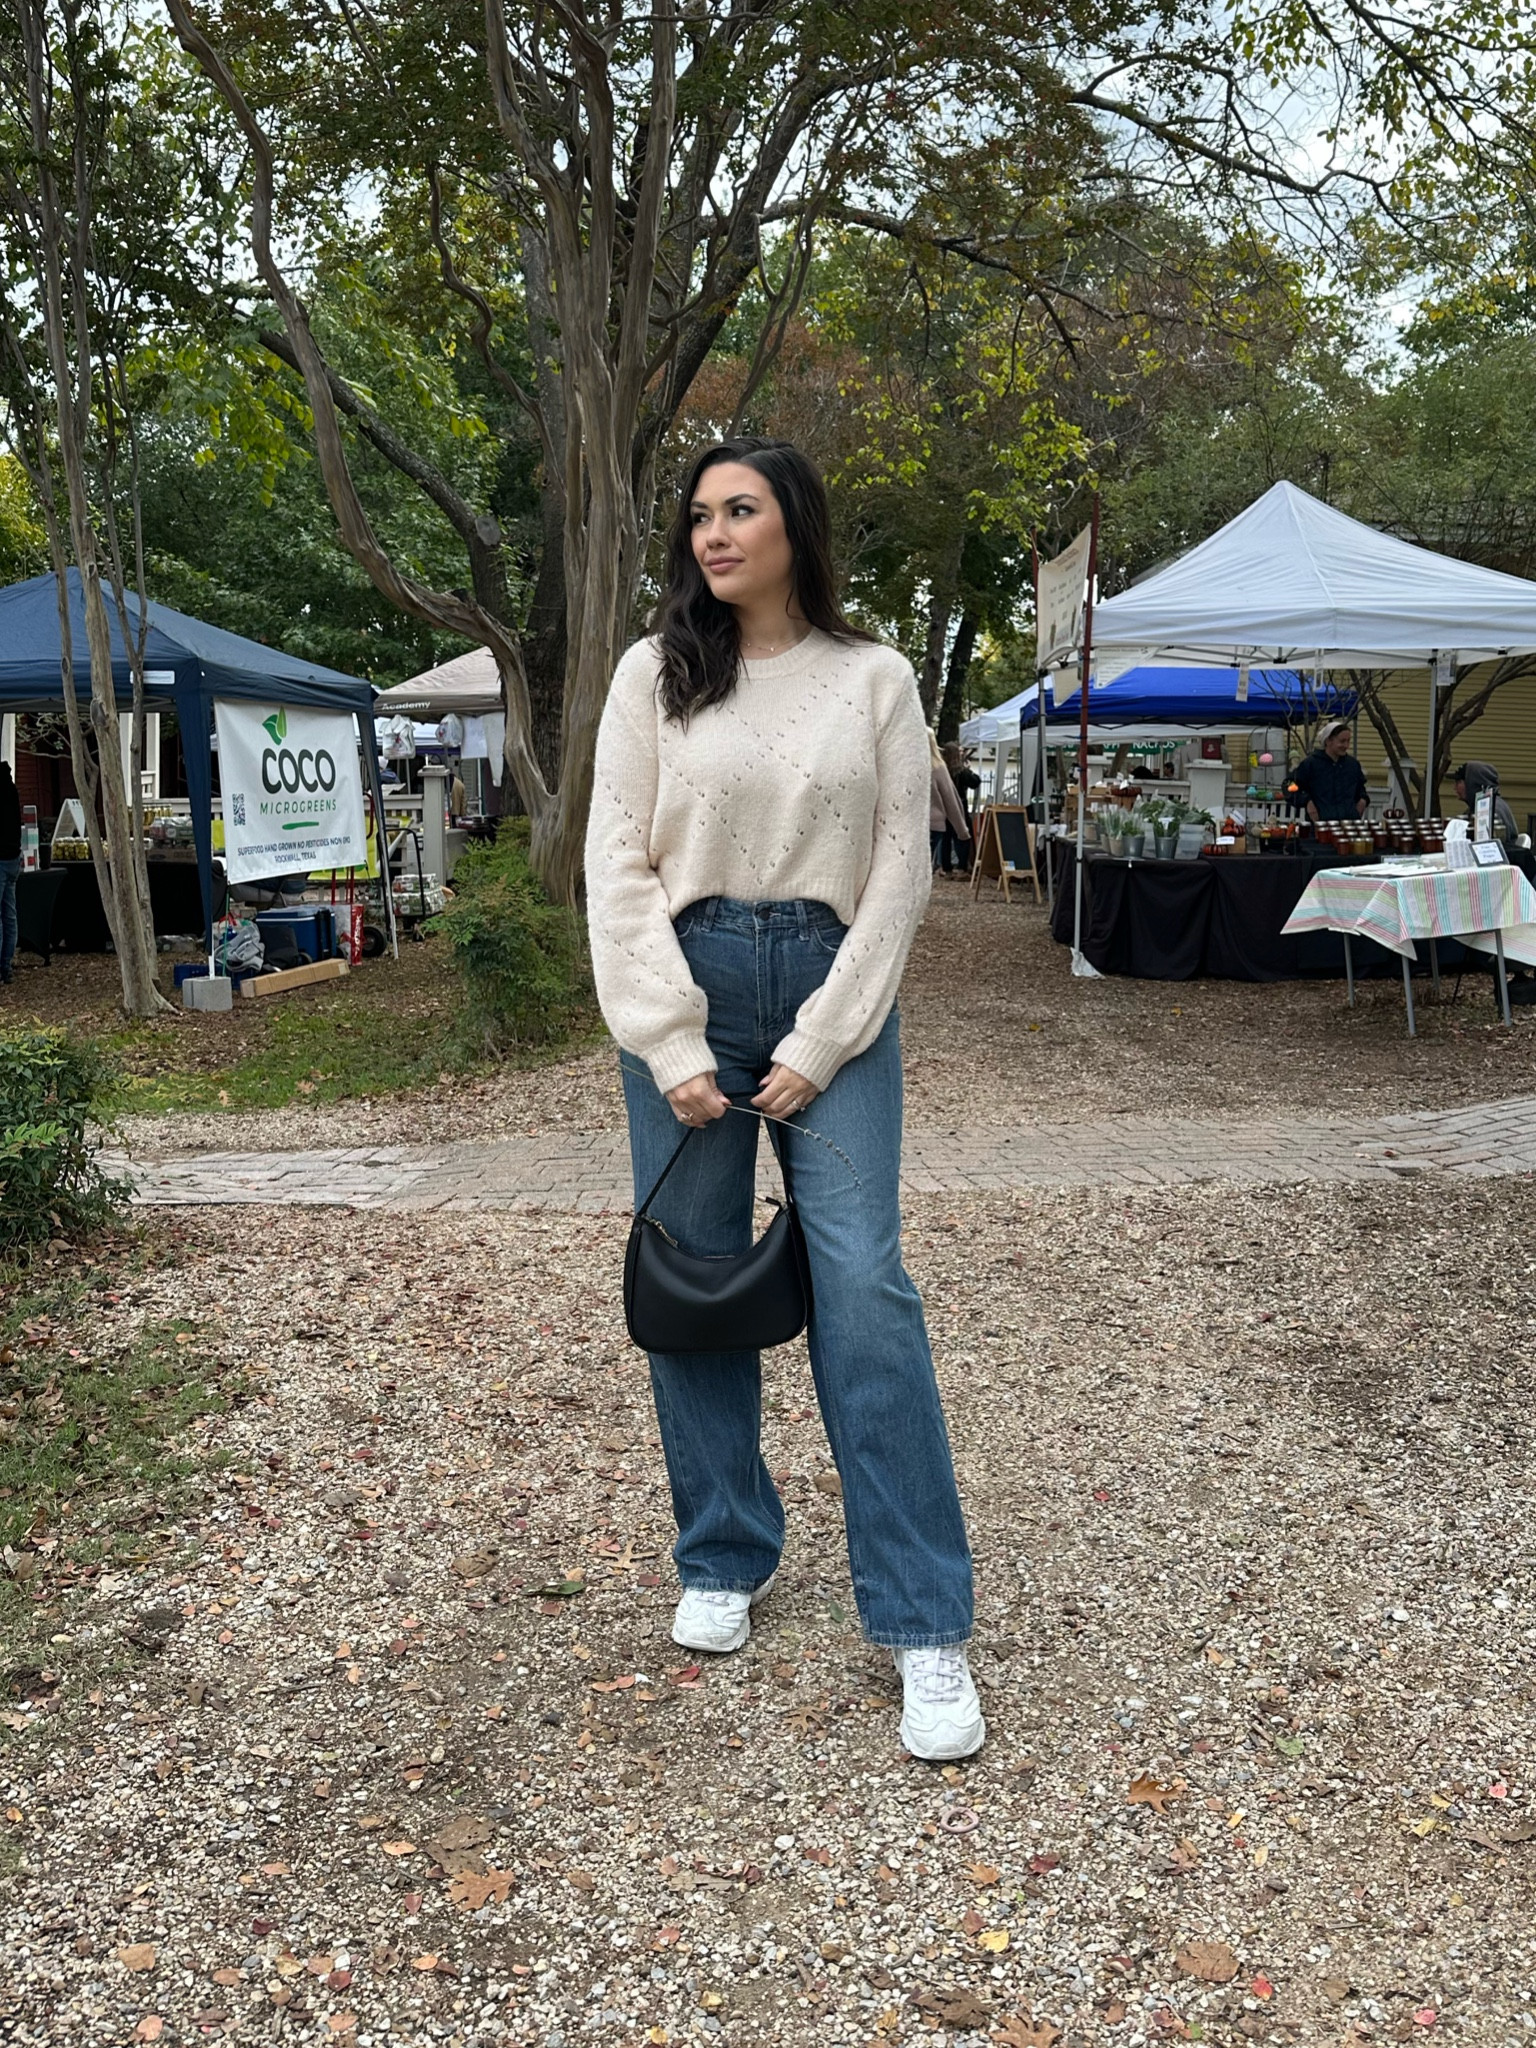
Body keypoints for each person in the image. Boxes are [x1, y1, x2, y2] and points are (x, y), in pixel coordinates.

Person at [585, 435, 983, 1761]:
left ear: (793, 525)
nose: (713, 533)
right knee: (697, 1281)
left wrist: (827, 1033)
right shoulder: (656, 676)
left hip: (832, 985)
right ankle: (724, 1551)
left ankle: (924, 1618)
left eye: (739, 509)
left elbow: (899, 870)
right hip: (690, 978)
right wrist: (667, 1034)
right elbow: (618, 861)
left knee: (865, 1288)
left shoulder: (873, 678)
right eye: (698, 513)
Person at [1288, 718, 1369, 822]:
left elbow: (1360, 788)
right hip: (1320, 828)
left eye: (1348, 741)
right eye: (1342, 741)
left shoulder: (1353, 765)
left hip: (1349, 828)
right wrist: (1307, 801)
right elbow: (1290, 786)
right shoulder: (1311, 764)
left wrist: (1363, 800)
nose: (1346, 746)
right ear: (1328, 741)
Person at [928, 731, 971, 875]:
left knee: (944, 843)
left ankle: (945, 867)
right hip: (937, 819)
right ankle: (959, 867)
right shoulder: (939, 767)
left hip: (919, 821)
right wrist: (962, 829)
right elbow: (951, 798)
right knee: (927, 864)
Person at [1453, 761, 1520, 849]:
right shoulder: (1479, 807)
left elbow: (1495, 848)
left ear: (1472, 784)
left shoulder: (1492, 810)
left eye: (1458, 782)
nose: (1454, 787)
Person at [942, 742, 981, 874]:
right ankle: (961, 866)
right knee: (963, 836)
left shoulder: (942, 770)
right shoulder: (961, 771)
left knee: (946, 838)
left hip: (944, 807)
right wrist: (968, 769)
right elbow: (975, 782)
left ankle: (946, 867)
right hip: (959, 807)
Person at [0, 760, 20, 985]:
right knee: (10, 915)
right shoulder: (12, 790)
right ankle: (6, 966)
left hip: (0, 859)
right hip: (13, 857)